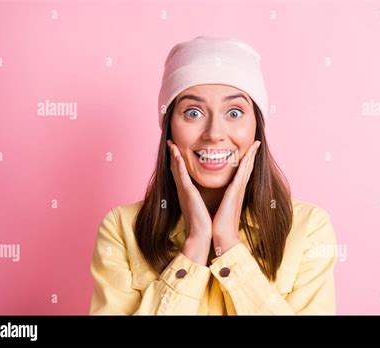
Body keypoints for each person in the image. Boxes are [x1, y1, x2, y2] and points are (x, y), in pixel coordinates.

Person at [89, 36, 337, 315]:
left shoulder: (308, 229)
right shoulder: (122, 229)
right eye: (193, 112)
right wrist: (195, 245)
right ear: (169, 127)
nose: (214, 133)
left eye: (234, 112)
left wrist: (228, 245)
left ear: (257, 127)